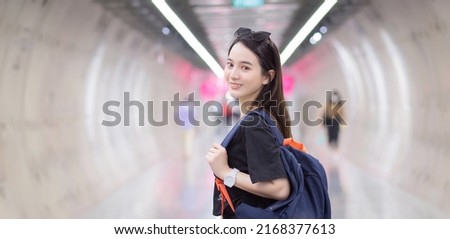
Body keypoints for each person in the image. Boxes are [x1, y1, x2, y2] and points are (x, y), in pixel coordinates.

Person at [205, 27, 292, 219]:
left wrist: (225, 171)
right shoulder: (264, 114)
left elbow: (279, 188)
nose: (233, 75)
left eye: (245, 67)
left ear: (267, 77)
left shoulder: (255, 123)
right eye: (230, 64)